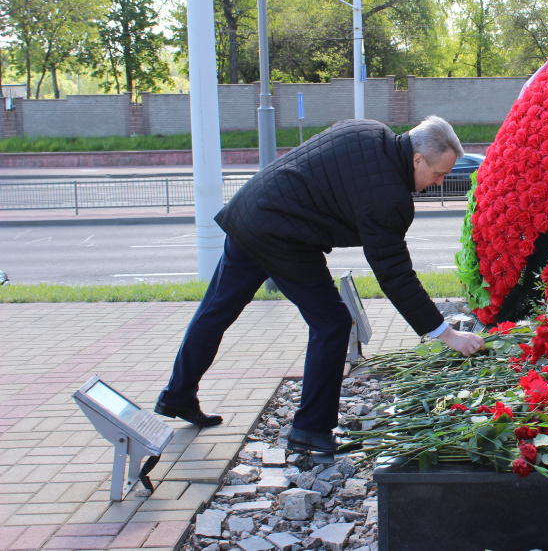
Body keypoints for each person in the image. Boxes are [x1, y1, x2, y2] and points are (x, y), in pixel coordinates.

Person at [155, 116, 486, 453]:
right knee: (333, 322)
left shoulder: (369, 130)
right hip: (281, 234)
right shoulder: (389, 198)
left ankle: (177, 395)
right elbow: (394, 274)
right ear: (417, 159)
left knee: (216, 311)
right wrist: (448, 335)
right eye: (438, 174)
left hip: (251, 210)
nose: (439, 182)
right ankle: (310, 429)